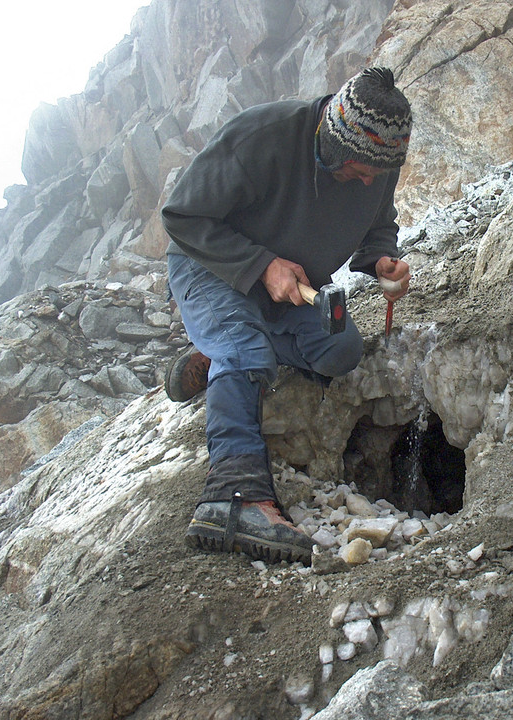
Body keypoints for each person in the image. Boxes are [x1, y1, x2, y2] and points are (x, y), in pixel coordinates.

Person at [160, 67, 412, 565]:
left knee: (341, 351)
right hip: (210, 267)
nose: (369, 180)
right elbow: (183, 216)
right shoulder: (262, 137)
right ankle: (232, 501)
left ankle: (218, 353)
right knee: (246, 349)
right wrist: (261, 265)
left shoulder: (377, 159)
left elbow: (378, 224)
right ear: (334, 139)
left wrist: (383, 260)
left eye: (378, 173)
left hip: (291, 288)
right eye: (360, 170)